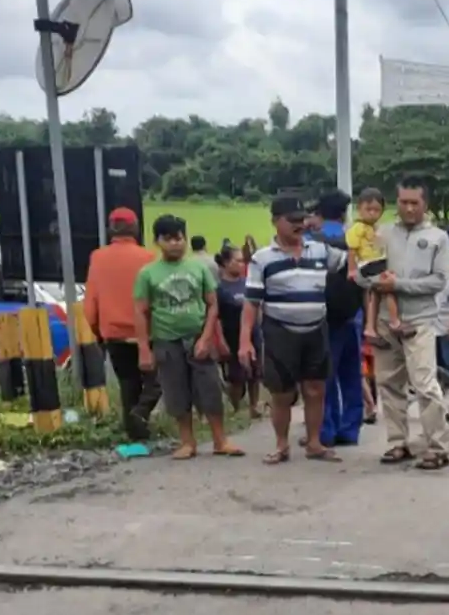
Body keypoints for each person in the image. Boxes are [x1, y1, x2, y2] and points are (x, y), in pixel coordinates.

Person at [240, 195, 347, 463]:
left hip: (316, 328)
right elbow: (251, 302)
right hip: (280, 331)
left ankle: (314, 442)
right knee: (282, 393)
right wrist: (245, 341)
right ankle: (281, 445)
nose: (299, 226)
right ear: (276, 222)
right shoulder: (262, 259)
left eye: (302, 220)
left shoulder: (321, 250)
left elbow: (350, 264)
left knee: (315, 389)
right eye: (292, 221)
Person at [358, 176, 449, 470]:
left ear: (425, 203)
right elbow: (363, 272)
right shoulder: (383, 234)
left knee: (425, 385)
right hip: (385, 321)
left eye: (415, 203)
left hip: (420, 320)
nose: (409, 208)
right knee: (388, 382)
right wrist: (378, 281)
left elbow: (438, 281)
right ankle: (398, 442)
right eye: (403, 202)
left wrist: (397, 285)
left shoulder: (438, 238)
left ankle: (438, 447)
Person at [134, 215, 243, 460]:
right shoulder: (147, 274)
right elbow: (140, 312)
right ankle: (187, 442)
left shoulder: (199, 268)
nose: (175, 243)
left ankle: (220, 440)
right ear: (157, 241)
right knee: (176, 392)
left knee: (211, 389)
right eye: (168, 239)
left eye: (179, 238)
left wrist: (206, 338)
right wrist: (144, 347)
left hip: (197, 338)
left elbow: (212, 305)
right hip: (166, 340)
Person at [84, 207, 162, 441]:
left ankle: (135, 431)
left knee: (128, 384)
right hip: (145, 333)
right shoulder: (148, 257)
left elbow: (91, 301)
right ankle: (140, 415)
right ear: (136, 229)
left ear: (110, 229)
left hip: (113, 333)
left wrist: (96, 331)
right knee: (155, 383)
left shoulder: (97, 257)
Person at [312, 189, 366, 448]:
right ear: (344, 213)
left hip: (323, 316)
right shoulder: (355, 239)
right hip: (353, 314)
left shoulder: (313, 240)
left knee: (326, 375)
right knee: (351, 374)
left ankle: (327, 429)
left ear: (319, 214)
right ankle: (351, 428)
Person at [346, 188, 401, 347]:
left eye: (377, 210)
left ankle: (370, 327)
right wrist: (352, 269)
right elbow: (352, 250)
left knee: (374, 294)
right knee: (389, 286)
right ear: (359, 208)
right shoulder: (357, 228)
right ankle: (395, 320)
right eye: (368, 209)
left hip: (375, 262)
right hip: (368, 264)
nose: (372, 213)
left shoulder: (376, 228)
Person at [214, 244, 262, 418]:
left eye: (243, 261)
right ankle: (236, 407)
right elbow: (216, 317)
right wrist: (221, 341)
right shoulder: (219, 288)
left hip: (253, 333)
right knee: (237, 377)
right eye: (238, 261)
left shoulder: (248, 283)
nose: (242, 264)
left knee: (255, 373)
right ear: (226, 263)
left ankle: (254, 406)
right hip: (232, 335)